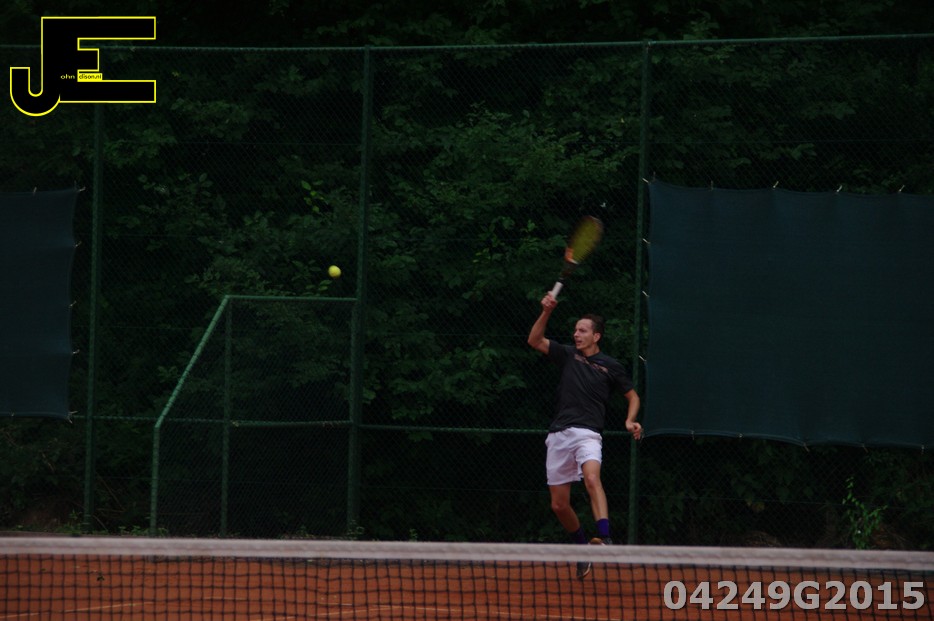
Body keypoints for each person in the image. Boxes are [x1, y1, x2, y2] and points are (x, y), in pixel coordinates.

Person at [527, 292, 642, 579]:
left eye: (582, 331)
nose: (576, 334)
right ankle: (582, 548)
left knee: (592, 478)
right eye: (575, 330)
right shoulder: (568, 355)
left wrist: (630, 420)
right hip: (558, 435)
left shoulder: (611, 366)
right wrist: (546, 311)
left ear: (596, 336)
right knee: (558, 505)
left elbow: (633, 397)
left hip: (588, 434)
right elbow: (535, 341)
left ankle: (605, 536)